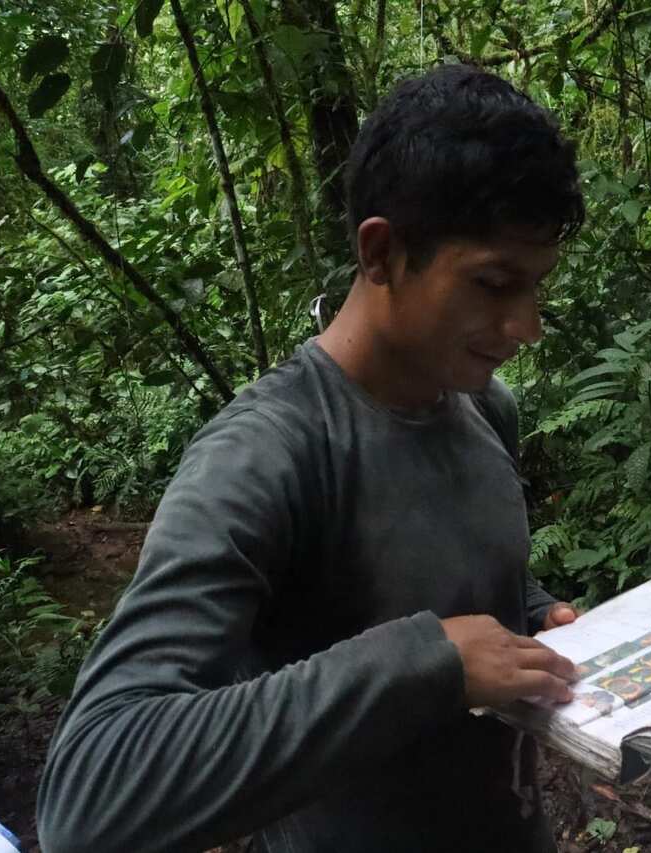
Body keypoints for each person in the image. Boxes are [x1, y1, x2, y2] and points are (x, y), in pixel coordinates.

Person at [36, 64, 585, 853]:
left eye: (536, 287)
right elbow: (92, 792)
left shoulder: (482, 408)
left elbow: (464, 575)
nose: (525, 325)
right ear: (382, 252)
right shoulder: (266, 454)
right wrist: (426, 662)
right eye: (495, 283)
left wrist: (533, 618)